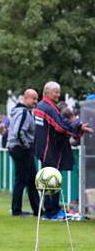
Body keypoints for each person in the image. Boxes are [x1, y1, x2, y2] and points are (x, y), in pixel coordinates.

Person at [34, 81, 92, 219]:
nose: (58, 95)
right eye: (56, 92)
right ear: (48, 92)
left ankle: (49, 210)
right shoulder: (48, 107)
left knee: (47, 181)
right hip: (50, 150)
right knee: (53, 180)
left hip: (43, 149)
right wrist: (78, 127)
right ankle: (53, 211)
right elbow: (59, 126)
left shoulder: (41, 106)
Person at [7, 89, 40, 216]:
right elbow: (19, 131)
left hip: (17, 147)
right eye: (33, 98)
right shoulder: (24, 113)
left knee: (31, 179)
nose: (35, 101)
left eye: (36, 99)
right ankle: (16, 210)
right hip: (20, 148)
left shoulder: (20, 112)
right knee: (22, 179)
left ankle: (37, 209)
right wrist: (27, 146)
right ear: (25, 98)